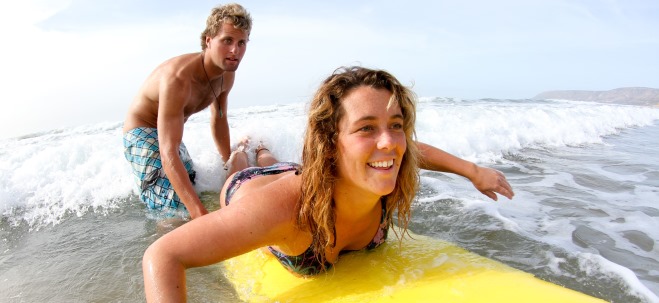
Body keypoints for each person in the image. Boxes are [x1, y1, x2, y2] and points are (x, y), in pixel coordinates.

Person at [142, 66, 514, 302]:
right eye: (366, 127)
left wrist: (473, 171)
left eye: (395, 125)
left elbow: (414, 150)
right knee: (240, 168)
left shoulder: (386, 171)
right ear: (330, 142)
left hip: (300, 171)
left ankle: (263, 149)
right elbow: (163, 256)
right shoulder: (286, 211)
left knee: (274, 161)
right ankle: (242, 151)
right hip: (251, 188)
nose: (389, 142)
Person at [122, 4, 252, 219]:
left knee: (192, 187)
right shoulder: (179, 79)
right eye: (227, 40)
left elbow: (219, 118)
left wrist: (227, 161)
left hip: (168, 131)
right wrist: (200, 216)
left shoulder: (226, 75)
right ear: (209, 40)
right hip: (142, 133)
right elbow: (168, 152)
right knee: (174, 206)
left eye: (241, 43)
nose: (234, 51)